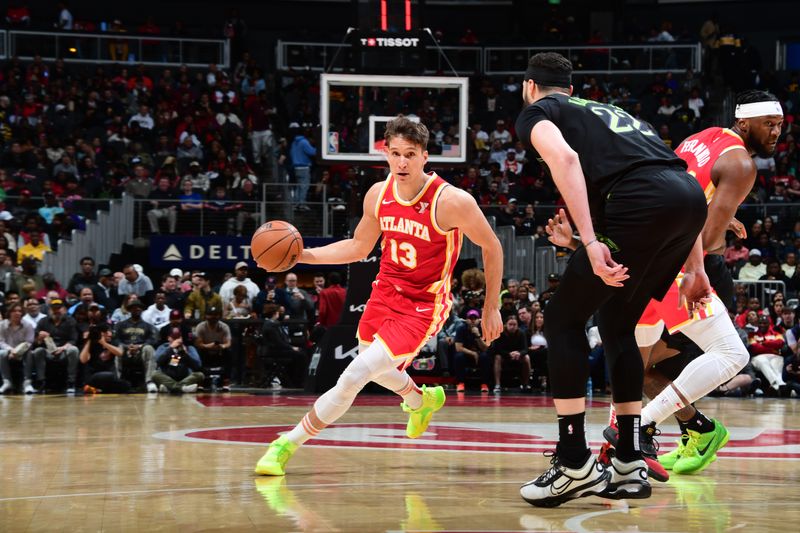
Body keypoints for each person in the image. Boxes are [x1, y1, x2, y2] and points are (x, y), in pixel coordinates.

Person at [547, 90, 783, 480]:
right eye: (768, 124)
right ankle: (640, 429)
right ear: (745, 123)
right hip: (681, 265)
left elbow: (682, 187)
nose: (776, 133)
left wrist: (719, 217)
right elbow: (705, 241)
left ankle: (625, 449)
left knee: (634, 362)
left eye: (779, 126)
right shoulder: (741, 164)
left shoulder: (702, 138)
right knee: (730, 355)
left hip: (643, 253)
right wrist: (720, 231)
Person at [255, 116, 503, 476]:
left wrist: (491, 305)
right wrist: (303, 255)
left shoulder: (451, 201)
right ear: (386, 153)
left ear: (425, 157)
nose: (402, 162)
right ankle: (420, 400)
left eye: (411, 155)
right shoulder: (378, 193)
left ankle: (285, 445)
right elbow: (358, 247)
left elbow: (492, 246)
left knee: (354, 375)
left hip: (422, 304)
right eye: (396, 153)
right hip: (385, 292)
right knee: (377, 366)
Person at [514, 52, 709, 507]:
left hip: (641, 201)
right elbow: (677, 180)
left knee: (562, 321)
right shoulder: (612, 113)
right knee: (618, 326)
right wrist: (696, 268)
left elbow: (564, 159)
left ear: (529, 86)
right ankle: (628, 460)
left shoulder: (538, 112)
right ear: (572, 87)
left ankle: (574, 461)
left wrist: (588, 239)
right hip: (686, 202)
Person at [31, 298, 79, 393]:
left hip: (64, 350)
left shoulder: (70, 321)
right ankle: (41, 381)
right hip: (48, 351)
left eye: (59, 308)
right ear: (50, 310)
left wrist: (63, 348)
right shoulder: (43, 321)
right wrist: (40, 338)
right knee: (38, 351)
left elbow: (73, 340)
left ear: (64, 309)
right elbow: (35, 342)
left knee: (74, 350)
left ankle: (71, 382)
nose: (56, 311)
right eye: (54, 308)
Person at [113, 299, 158, 393]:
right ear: (129, 310)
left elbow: (153, 340)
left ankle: (149, 381)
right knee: (118, 349)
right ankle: (117, 381)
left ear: (142, 310)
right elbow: (116, 339)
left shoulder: (148, 326)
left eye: (139, 307)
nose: (137, 309)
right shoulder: (121, 325)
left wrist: (140, 346)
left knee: (149, 348)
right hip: (125, 351)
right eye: (134, 307)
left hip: (141, 352)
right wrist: (126, 346)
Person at [151, 326, 205, 394]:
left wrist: (186, 355)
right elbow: (158, 362)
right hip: (168, 377)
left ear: (181, 338)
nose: (176, 340)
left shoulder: (189, 348)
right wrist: (170, 349)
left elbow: (198, 365)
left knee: (200, 375)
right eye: (173, 338)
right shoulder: (163, 347)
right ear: (168, 338)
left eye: (178, 338)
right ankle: (182, 388)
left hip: (185, 377)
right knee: (154, 374)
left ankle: (170, 388)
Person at [80, 323, 130, 394]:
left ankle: (97, 390)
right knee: (106, 375)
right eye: (106, 332)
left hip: (110, 377)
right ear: (101, 333)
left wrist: (104, 343)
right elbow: (83, 360)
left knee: (126, 385)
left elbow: (120, 353)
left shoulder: (113, 342)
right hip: (94, 375)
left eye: (109, 331)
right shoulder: (92, 343)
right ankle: (96, 388)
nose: (109, 334)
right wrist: (89, 340)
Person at [0, 303, 36, 394]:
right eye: (14, 311)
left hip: (23, 351)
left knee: (30, 353)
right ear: (9, 313)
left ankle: (27, 383)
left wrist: (18, 351)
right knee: (1, 353)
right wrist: (11, 350)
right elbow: (1, 342)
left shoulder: (28, 325)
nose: (17, 313)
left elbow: (29, 342)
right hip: (8, 351)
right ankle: (7, 382)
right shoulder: (2, 325)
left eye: (19, 311)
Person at [194, 306, 232, 391]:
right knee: (197, 353)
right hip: (205, 350)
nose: (212, 317)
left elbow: (228, 343)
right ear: (206, 316)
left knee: (228, 352)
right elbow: (198, 343)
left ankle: (226, 382)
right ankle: (200, 382)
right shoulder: (201, 326)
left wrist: (222, 346)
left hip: (219, 351)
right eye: (210, 315)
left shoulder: (224, 327)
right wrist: (208, 346)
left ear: (219, 316)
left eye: (215, 315)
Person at [489, 315, 530, 393]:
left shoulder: (521, 333)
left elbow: (525, 349)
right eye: (510, 324)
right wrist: (509, 354)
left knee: (527, 358)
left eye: (514, 325)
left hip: (517, 356)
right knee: (497, 357)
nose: (512, 327)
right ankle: (497, 384)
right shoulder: (500, 333)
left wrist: (519, 353)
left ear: (517, 325)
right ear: (506, 325)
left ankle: (526, 384)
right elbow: (497, 349)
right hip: (504, 355)